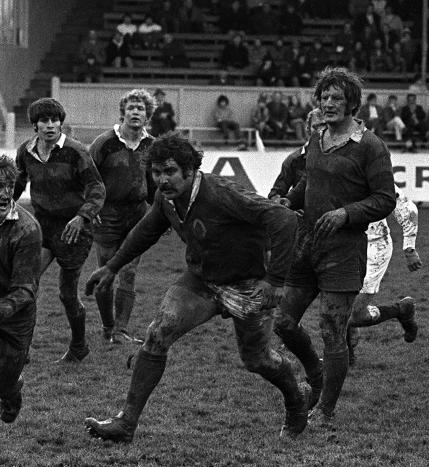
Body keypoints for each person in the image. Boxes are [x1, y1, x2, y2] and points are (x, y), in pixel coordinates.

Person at [84, 135, 309, 442]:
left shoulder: (220, 192)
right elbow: (148, 229)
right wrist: (112, 266)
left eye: (170, 171)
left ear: (190, 170)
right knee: (157, 333)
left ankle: (297, 398)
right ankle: (126, 424)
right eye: (156, 173)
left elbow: (283, 218)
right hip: (201, 281)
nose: (162, 180)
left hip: (247, 284)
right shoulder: (166, 198)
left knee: (257, 360)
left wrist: (276, 281)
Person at [273, 67, 396, 428]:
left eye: (337, 98)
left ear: (352, 103)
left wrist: (347, 213)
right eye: (324, 97)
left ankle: (325, 410)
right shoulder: (317, 137)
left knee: (332, 330)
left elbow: (385, 198)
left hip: (343, 250)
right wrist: (286, 201)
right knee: (282, 322)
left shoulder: (370, 146)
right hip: (306, 244)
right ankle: (316, 371)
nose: (328, 103)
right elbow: (310, 181)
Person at [14, 98, 105, 363]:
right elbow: (17, 186)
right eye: (45, 121)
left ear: (61, 123)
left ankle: (79, 346)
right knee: (24, 284)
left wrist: (82, 216)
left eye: (55, 120)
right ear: (35, 125)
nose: (51, 125)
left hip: (73, 230)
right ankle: (21, 348)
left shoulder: (75, 151)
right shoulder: (26, 152)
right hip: (41, 228)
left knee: (66, 293)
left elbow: (97, 189)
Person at [89, 89, 156, 346]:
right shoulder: (104, 142)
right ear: (123, 113)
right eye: (131, 108)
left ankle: (121, 331)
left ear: (147, 115)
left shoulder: (152, 145)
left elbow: (155, 183)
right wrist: (91, 208)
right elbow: (87, 177)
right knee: (106, 273)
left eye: (140, 108)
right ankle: (108, 327)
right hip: (107, 216)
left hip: (137, 216)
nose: (135, 112)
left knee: (129, 271)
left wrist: (162, 214)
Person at [346, 184, 421, 365]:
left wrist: (409, 247)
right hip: (340, 245)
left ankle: (400, 310)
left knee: (354, 315)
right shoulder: (325, 165)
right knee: (335, 306)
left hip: (374, 247)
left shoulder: (373, 171)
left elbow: (406, 207)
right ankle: (345, 356)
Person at [0, 155, 42, 424]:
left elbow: (26, 289)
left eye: (8, 185)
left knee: (3, 379)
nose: (3, 193)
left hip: (16, 317)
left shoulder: (27, 230)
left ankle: (12, 389)